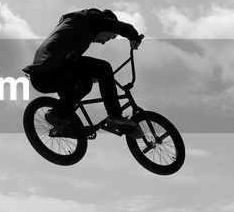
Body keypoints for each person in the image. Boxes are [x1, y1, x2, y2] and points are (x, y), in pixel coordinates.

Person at [23, 8, 144, 136]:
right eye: (109, 37)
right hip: (52, 66)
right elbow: (118, 26)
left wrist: (89, 74)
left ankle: (60, 116)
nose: (103, 42)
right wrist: (133, 36)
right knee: (104, 68)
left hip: (42, 77)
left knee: (85, 84)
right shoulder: (93, 17)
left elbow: (73, 61)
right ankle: (115, 116)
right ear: (107, 26)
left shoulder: (76, 27)